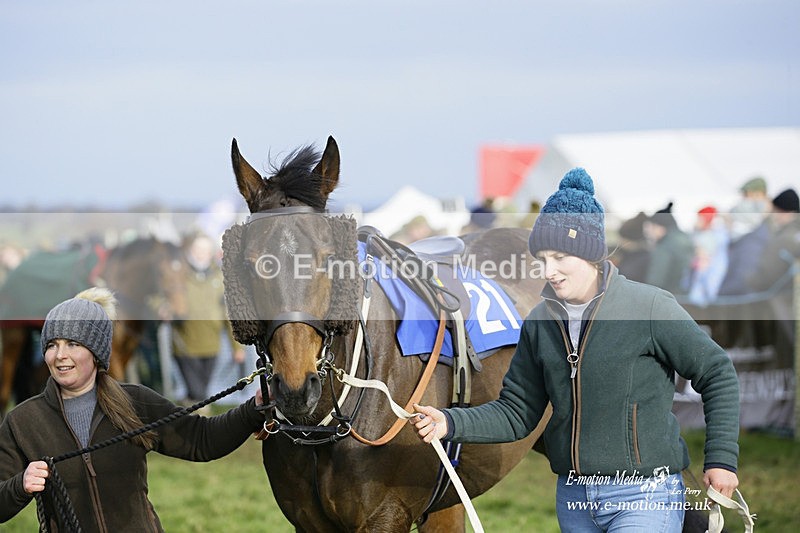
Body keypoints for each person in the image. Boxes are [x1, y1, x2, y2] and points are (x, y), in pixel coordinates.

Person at [411, 168, 740, 532]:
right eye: (543, 259)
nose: (548, 271)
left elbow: (717, 372)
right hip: (575, 500)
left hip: (645, 496)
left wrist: (722, 459)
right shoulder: (539, 323)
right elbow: (517, 413)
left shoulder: (648, 308)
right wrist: (449, 422)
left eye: (560, 257)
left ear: (591, 255)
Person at [0, 288, 263, 531]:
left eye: (73, 344)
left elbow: (203, 440)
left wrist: (254, 409)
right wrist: (20, 485)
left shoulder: (134, 401)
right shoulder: (22, 421)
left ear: (96, 350)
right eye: (51, 345)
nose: (59, 355)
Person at [172, 232, 245, 406]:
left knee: (200, 392)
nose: (200, 254)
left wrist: (237, 347)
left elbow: (229, 313)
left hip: (212, 345)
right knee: (198, 392)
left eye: (204, 250)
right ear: (191, 250)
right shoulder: (178, 274)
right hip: (185, 344)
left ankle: (188, 415)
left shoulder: (220, 277)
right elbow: (159, 297)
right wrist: (162, 309)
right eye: (197, 249)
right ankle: (199, 421)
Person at [644, 202, 694, 296]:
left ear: (660, 227)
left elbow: (655, 281)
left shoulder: (664, 247)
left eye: (651, 227)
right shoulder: (686, 240)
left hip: (669, 298)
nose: (649, 232)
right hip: (685, 297)